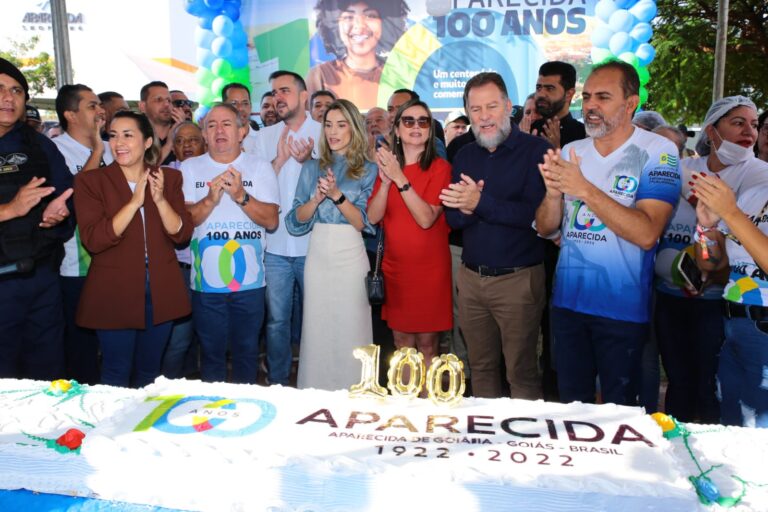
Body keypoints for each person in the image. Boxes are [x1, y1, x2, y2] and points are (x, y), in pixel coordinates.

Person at [535, 60, 681, 406]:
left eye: (603, 97)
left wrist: (583, 188)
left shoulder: (659, 153)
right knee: (572, 406)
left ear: (630, 103)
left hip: (622, 309)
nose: (590, 106)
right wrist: (554, 194)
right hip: (568, 304)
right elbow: (545, 227)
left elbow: (647, 233)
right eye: (586, 97)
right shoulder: (573, 152)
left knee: (621, 412)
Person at [438, 72, 551, 400]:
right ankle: (486, 446)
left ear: (508, 107)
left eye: (491, 106)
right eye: (475, 109)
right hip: (471, 280)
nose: (484, 116)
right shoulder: (464, 154)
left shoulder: (536, 152)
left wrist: (480, 202)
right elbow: (453, 217)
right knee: (481, 367)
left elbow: (535, 217)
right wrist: (468, 208)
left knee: (522, 372)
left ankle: (523, 443)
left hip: (518, 282)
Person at [74, 111, 192, 388]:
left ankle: (142, 430)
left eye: (128, 135)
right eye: (113, 136)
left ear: (148, 141)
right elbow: (94, 240)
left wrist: (160, 200)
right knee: (116, 370)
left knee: (150, 373)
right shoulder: (90, 182)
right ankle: (111, 431)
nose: (119, 143)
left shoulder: (169, 179)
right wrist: (133, 203)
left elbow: (181, 234)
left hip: (161, 288)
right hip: (114, 289)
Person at [184, 103, 279, 384]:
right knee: (211, 356)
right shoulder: (190, 168)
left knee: (247, 354)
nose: (219, 130)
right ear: (204, 133)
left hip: (249, 282)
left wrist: (240, 196)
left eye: (226, 124)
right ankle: (214, 417)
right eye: (211, 125)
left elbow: (271, 220)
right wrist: (211, 199)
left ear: (241, 131)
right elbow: (187, 220)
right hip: (206, 284)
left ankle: (246, 417)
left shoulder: (260, 167)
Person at [286, 99, 377, 390]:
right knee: (317, 327)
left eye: (341, 124)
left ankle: (357, 391)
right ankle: (315, 393)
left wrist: (337, 195)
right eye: (328, 125)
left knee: (353, 325)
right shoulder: (312, 167)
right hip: (318, 253)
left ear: (354, 128)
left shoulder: (368, 169)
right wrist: (315, 199)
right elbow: (294, 221)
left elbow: (364, 223)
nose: (333, 131)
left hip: (351, 253)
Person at [691, 96, 768, 427]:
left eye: (754, 124)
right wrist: (707, 227)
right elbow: (710, 265)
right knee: (733, 429)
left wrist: (731, 213)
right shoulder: (753, 191)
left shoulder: (740, 200)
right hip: (733, 324)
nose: (753, 133)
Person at [0, 58, 74, 380]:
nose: (9, 98)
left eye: (17, 90)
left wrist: (58, 215)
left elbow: (66, 195)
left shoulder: (40, 146)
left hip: (41, 278)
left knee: (47, 376)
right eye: (0, 90)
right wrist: (8, 210)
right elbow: (13, 208)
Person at [367, 98, 452, 369]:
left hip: (430, 270)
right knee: (402, 345)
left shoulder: (440, 168)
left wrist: (399, 178)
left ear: (430, 130)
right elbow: (372, 217)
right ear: (398, 130)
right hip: (396, 269)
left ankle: (428, 410)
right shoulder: (388, 169)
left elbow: (426, 219)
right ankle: (407, 406)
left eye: (423, 121)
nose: (416, 126)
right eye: (408, 121)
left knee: (428, 346)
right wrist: (385, 181)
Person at [254, 71, 321, 387]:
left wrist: (312, 160)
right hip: (275, 248)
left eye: (284, 90)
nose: (278, 97)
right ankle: (278, 383)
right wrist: (278, 162)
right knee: (277, 322)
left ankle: (316, 380)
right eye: (274, 92)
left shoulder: (325, 133)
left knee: (316, 320)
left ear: (304, 95)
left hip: (316, 247)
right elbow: (251, 189)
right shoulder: (264, 137)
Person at [53, 83, 113, 385]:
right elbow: (73, 196)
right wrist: (98, 152)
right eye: (91, 106)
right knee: (82, 345)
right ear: (70, 115)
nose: (100, 111)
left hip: (113, 263)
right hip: (76, 266)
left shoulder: (115, 149)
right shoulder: (54, 149)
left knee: (114, 342)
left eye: (99, 104)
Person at [162, 121, 207, 379]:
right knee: (179, 339)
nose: (187, 145)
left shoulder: (217, 170)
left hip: (214, 268)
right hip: (180, 270)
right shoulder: (164, 175)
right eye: (179, 141)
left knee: (209, 340)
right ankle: (166, 392)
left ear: (205, 143)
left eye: (193, 140)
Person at [308, 0, 409, 111]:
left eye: (370, 16)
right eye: (348, 17)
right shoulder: (320, 75)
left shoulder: (400, 75)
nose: (359, 26)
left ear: (384, 23)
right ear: (335, 25)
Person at [530, 61, 586, 149]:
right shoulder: (527, 129)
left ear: (569, 94)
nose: (541, 94)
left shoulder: (583, 136)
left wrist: (557, 152)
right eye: (539, 88)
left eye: (550, 88)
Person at [139, 81, 185, 165]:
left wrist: (184, 130)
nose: (166, 104)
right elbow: (141, 171)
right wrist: (169, 144)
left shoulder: (182, 132)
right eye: (159, 100)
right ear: (142, 106)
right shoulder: (136, 136)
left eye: (169, 100)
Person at [223, 83, 259, 153]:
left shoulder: (261, 139)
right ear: (224, 107)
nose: (240, 108)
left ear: (250, 107)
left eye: (245, 103)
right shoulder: (217, 141)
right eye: (234, 103)